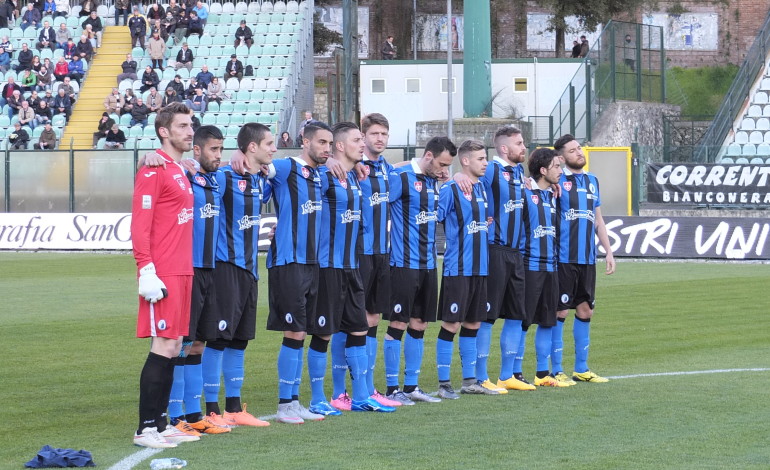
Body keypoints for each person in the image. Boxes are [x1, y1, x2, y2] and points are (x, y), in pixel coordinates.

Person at [220, 122, 330, 424]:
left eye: (330, 143)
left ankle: (293, 401)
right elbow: (257, 165)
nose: (327, 148)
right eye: (322, 142)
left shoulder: (320, 174)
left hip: (311, 262)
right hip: (287, 262)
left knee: (301, 332)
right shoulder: (285, 167)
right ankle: (284, 404)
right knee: (293, 331)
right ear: (306, 142)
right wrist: (236, 156)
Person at [306, 121, 396, 415]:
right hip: (327, 266)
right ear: (340, 146)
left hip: (352, 264)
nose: (363, 144)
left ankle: (360, 396)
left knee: (359, 328)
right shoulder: (322, 176)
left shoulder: (355, 178)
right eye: (358, 139)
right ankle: (320, 398)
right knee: (324, 333)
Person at [195, 123, 275, 428]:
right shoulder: (225, 176)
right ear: (251, 147)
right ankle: (211, 409)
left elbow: (278, 175)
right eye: (269, 143)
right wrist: (228, 161)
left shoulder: (259, 179)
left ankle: (233, 408)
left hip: (250, 270)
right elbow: (198, 172)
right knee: (217, 339)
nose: (274, 148)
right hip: (225, 267)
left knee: (240, 341)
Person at [130, 101, 197, 449]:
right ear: (164, 131)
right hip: (163, 272)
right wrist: (146, 269)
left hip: (183, 270)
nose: (190, 131)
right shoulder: (153, 169)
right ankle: (145, 428)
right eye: (183, 126)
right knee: (163, 345)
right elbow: (139, 225)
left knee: (174, 347)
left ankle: (161, 423)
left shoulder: (178, 168)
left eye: (191, 125)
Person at [458, 126, 536, 393]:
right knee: (487, 316)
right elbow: (467, 174)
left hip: (516, 254)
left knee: (516, 315)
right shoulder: (491, 169)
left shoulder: (518, 173)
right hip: (494, 250)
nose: (524, 147)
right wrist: (458, 174)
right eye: (519, 143)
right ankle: (480, 376)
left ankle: (507, 375)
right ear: (504, 148)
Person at [332, 113, 400, 408]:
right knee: (346, 322)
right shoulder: (346, 169)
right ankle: (339, 391)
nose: (378, 139)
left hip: (381, 253)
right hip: (356, 253)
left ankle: (367, 387)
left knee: (373, 318)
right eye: (372, 134)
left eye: (384, 134)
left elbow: (419, 170)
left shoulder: (389, 171)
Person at [383, 136, 456, 404]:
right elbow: (377, 205)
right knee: (398, 323)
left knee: (420, 323)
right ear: (428, 156)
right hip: (403, 263)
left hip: (428, 264)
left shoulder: (434, 182)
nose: (444, 169)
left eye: (448, 165)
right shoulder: (400, 177)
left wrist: (447, 178)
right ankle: (392, 389)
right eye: (441, 163)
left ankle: (411, 386)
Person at [432, 139, 497, 398]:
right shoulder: (451, 188)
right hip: (458, 268)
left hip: (480, 268)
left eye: (486, 158)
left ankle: (469, 381)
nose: (485, 163)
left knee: (473, 323)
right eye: (481, 159)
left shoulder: (480, 188)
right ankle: (444, 384)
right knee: (452, 324)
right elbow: (435, 218)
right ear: (466, 160)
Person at [551, 134, 616, 384]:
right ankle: (556, 369)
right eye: (572, 150)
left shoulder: (592, 180)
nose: (579, 152)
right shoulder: (557, 181)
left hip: (587, 258)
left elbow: (597, 219)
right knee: (560, 311)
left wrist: (608, 251)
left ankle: (581, 368)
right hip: (563, 257)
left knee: (586, 310)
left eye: (579, 148)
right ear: (561, 157)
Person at [520, 148, 567, 388]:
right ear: (543, 170)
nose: (561, 171)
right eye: (557, 166)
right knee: (523, 321)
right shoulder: (525, 193)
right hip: (530, 265)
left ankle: (542, 372)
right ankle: (515, 373)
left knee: (548, 320)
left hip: (551, 266)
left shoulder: (552, 195)